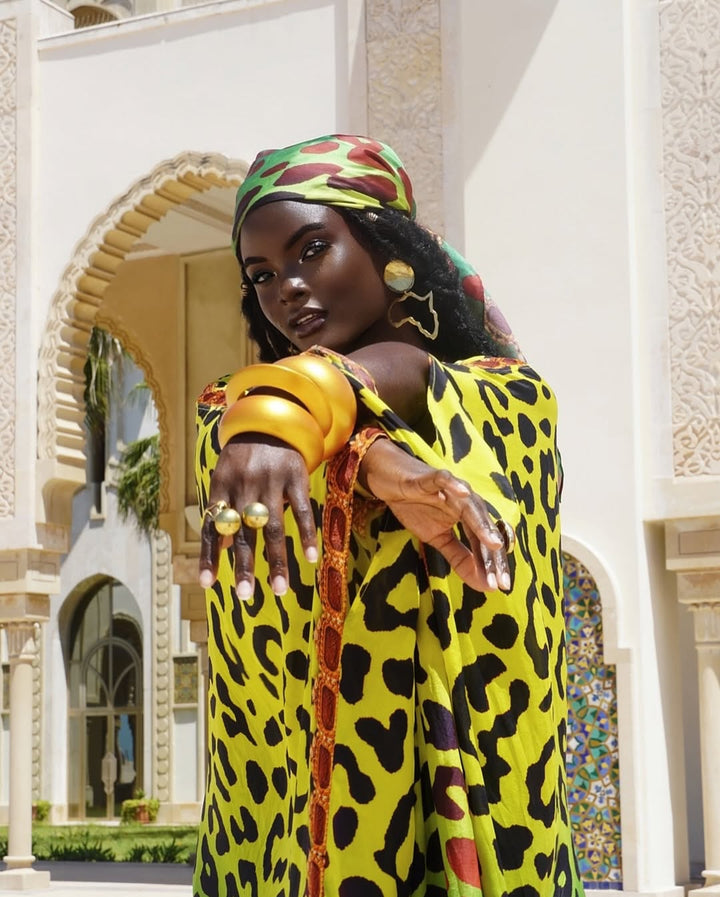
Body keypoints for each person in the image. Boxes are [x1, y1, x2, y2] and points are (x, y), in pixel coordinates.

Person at [193, 134, 583, 897]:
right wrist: (368, 456)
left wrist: (311, 413)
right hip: (292, 842)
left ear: (387, 249)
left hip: (485, 827)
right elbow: (245, 423)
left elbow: (413, 375)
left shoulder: (513, 400)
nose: (288, 289)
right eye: (264, 273)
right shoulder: (238, 415)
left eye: (313, 250)